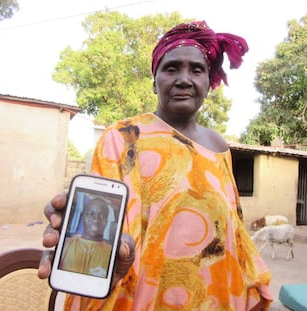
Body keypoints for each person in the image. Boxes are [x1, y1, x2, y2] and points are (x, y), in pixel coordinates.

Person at [39, 20, 273, 310]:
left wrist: (254, 283)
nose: (184, 79)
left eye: (196, 69)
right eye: (171, 68)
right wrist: (100, 256)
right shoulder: (124, 138)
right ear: (154, 80)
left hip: (218, 299)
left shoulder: (219, 147)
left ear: (208, 83)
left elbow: (234, 232)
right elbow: (109, 232)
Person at [59, 197, 112, 277]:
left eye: (101, 216)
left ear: (107, 220)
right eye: (91, 214)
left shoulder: (111, 253)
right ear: (83, 216)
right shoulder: (66, 244)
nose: (96, 220)